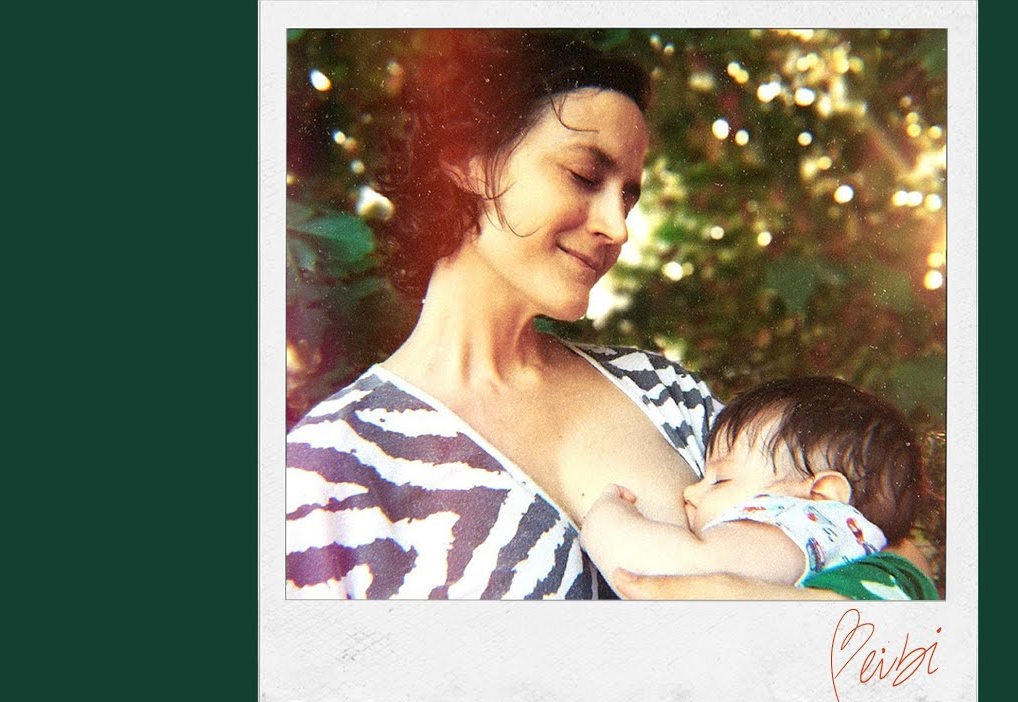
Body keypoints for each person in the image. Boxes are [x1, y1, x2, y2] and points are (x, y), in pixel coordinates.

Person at [284, 29, 936, 600]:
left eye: (628, 196)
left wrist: (827, 612)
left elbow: (875, 549)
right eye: (583, 175)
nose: (618, 227)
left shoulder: (662, 390)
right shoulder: (331, 465)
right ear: (467, 160)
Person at [581, 377, 940, 600]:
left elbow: (677, 573)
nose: (690, 493)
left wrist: (605, 515)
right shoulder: (854, 550)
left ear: (822, 495)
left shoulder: (799, 524)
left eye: (721, 480)